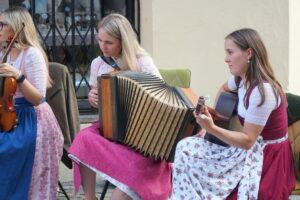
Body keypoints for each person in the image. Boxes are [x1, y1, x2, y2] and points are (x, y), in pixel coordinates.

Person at [171, 28, 295, 200]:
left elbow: (248, 141)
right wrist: (218, 115)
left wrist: (211, 128)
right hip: (248, 149)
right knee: (185, 148)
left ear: (248, 53)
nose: (226, 59)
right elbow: (224, 88)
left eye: (230, 52)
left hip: (266, 159)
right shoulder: (240, 79)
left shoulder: (262, 91)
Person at [68, 13, 172, 200]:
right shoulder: (98, 64)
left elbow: (162, 97)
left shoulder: (142, 62)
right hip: (111, 127)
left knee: (119, 195)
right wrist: (93, 98)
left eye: (109, 42)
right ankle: (89, 197)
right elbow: (96, 99)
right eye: (100, 40)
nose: (103, 47)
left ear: (123, 41)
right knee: (83, 138)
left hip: (141, 135)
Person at [0, 7, 64, 200]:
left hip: (32, 119)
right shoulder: (3, 53)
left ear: (14, 28)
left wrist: (18, 76)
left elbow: (38, 98)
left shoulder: (32, 54)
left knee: (8, 149)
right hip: (8, 115)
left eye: (2, 24)